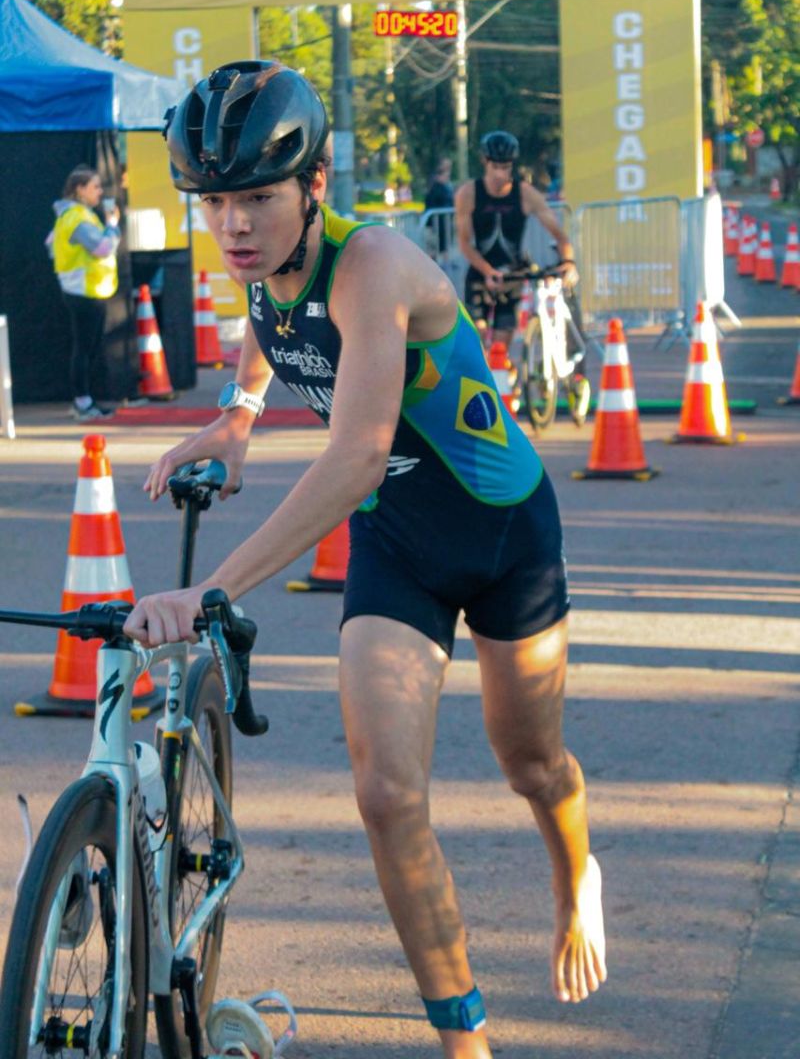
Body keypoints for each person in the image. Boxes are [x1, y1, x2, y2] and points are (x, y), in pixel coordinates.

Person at [125, 61, 607, 1057]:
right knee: (385, 796)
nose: (236, 226)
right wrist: (240, 415)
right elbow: (274, 329)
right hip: (398, 543)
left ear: (314, 182)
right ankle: (464, 1041)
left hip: (505, 531)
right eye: (215, 204)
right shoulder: (267, 271)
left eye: (257, 197)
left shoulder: (376, 263)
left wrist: (210, 589)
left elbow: (351, 456)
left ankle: (576, 873)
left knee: (530, 763)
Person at [454, 132, 589, 417]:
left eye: (507, 167)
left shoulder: (526, 194)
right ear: (485, 163)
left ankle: (508, 382)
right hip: (481, 273)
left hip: (513, 275)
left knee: (501, 342)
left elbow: (560, 235)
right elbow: (464, 243)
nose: (501, 173)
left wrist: (569, 261)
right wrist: (487, 271)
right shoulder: (469, 193)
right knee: (477, 340)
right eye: (496, 166)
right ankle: (503, 379)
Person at [49, 165, 120, 421]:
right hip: (84, 293)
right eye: (95, 187)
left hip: (84, 290)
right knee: (83, 349)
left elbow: (51, 245)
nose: (100, 192)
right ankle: (82, 403)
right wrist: (113, 226)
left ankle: (84, 400)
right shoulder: (77, 218)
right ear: (80, 189)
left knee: (85, 348)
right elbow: (102, 248)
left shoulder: (72, 216)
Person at [424, 157, 455, 260]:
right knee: (434, 249)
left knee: (442, 247)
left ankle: (445, 263)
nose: (447, 177)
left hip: (443, 224)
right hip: (435, 225)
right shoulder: (435, 188)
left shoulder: (446, 187)